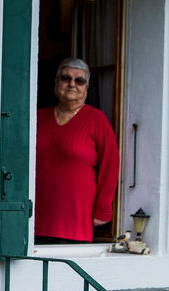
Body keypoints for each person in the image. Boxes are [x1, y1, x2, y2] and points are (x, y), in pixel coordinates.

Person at [35, 57, 119, 244]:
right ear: (56, 83)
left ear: (87, 87)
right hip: (34, 218)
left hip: (75, 222)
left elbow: (110, 167)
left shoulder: (97, 120)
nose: (72, 84)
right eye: (66, 78)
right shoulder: (37, 117)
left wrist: (103, 210)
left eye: (79, 81)